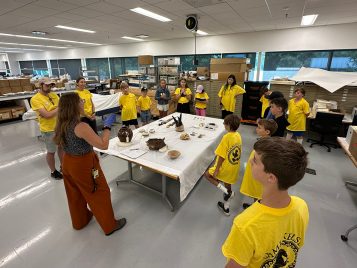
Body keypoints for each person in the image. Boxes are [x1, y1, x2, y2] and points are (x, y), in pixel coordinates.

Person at [222, 137, 309, 268]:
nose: (250, 161)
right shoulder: (302, 206)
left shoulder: (245, 225)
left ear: (271, 178)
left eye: (255, 161)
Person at [53, 93, 126, 236]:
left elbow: (59, 147)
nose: (83, 102)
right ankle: (110, 225)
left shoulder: (61, 123)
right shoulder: (80, 126)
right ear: (74, 105)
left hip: (68, 162)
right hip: (83, 164)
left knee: (75, 194)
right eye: (81, 100)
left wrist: (62, 165)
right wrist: (107, 127)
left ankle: (80, 221)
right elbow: (103, 145)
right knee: (100, 192)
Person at [205, 114, 242, 216]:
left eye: (225, 123)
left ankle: (228, 192)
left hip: (225, 166)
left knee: (207, 175)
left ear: (229, 125)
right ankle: (226, 207)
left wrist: (217, 169)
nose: (223, 125)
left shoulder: (226, 137)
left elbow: (221, 155)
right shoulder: (238, 135)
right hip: (234, 166)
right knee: (227, 182)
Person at [240, 119, 278, 209]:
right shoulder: (262, 141)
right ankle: (255, 205)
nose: (257, 129)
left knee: (258, 192)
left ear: (267, 132)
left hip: (260, 173)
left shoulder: (267, 145)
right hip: (255, 170)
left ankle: (257, 208)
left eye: (259, 128)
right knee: (255, 191)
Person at [30, 77, 63, 179]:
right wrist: (57, 109)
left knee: (62, 148)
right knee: (51, 151)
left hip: (59, 126)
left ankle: (64, 166)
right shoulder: (35, 99)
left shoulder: (54, 95)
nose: (49, 87)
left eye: (51, 85)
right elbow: (47, 115)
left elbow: (58, 110)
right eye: (47, 85)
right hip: (48, 129)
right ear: (41, 85)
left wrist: (53, 111)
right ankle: (53, 171)